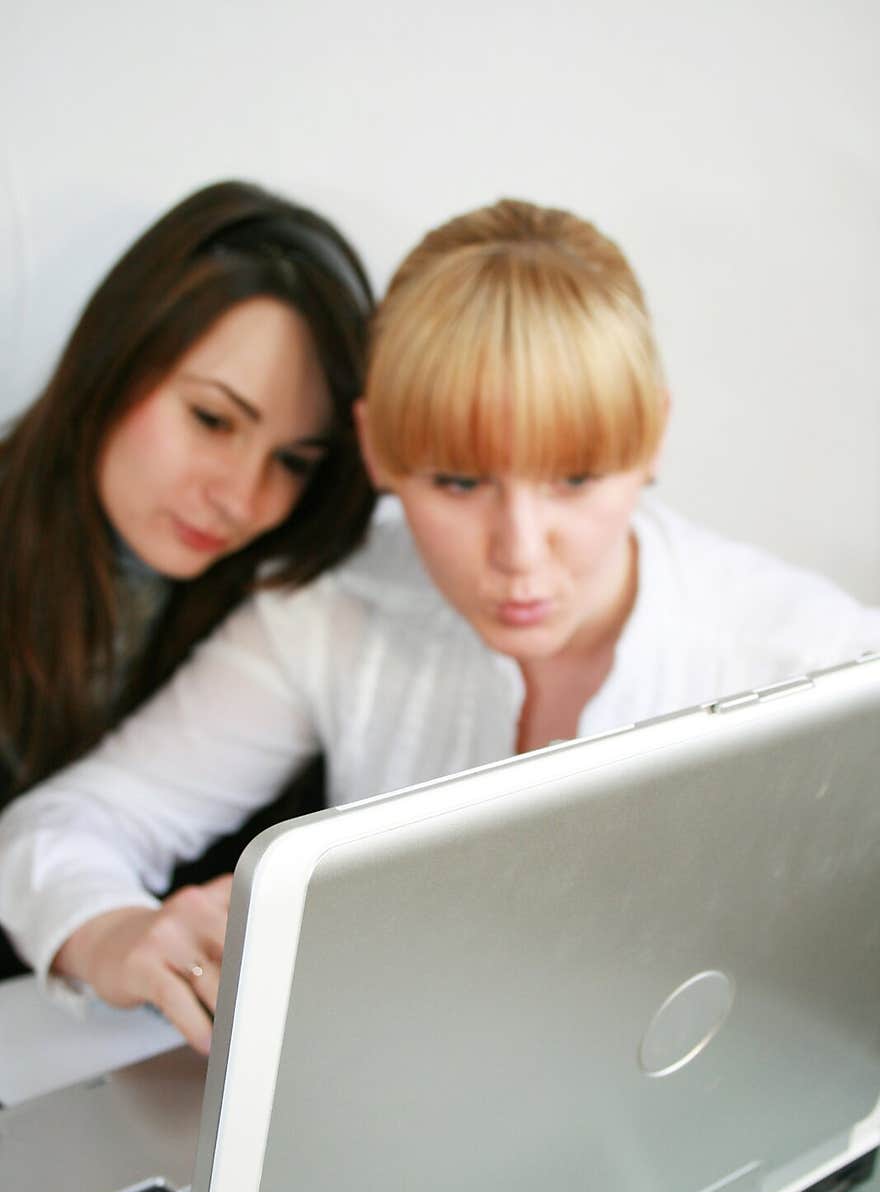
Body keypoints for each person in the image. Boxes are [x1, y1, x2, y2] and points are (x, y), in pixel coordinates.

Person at [1, 197, 878, 1051]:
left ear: (653, 439)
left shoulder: (822, 665)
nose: (520, 552)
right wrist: (111, 930)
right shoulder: (331, 609)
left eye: (575, 479)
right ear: (377, 449)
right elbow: (68, 822)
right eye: (458, 484)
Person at [0, 179, 376, 976]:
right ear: (114, 360)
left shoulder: (289, 607)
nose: (241, 498)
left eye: (294, 462)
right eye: (212, 419)